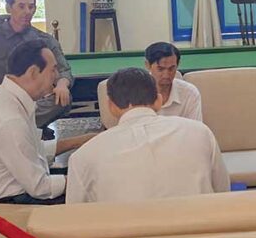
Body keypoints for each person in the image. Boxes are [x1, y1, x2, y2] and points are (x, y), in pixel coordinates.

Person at [66, 67, 229, 204]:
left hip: (123, 233)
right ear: (158, 101)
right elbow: (222, 193)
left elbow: (77, 218)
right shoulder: (200, 133)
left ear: (111, 106)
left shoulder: (82, 157)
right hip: (201, 230)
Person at [0, 39, 95, 205]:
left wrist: (81, 141)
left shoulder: (9, 98)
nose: (56, 76)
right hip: (2, 204)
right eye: (53, 70)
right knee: (94, 196)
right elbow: (40, 188)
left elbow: (32, 151)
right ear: (33, 72)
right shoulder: (10, 120)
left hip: (13, 192)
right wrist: (88, 181)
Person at [144, 42, 202, 121]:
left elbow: (196, 127)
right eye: (160, 69)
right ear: (147, 65)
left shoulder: (189, 93)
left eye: (171, 69)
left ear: (178, 65)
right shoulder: (135, 93)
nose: (166, 75)